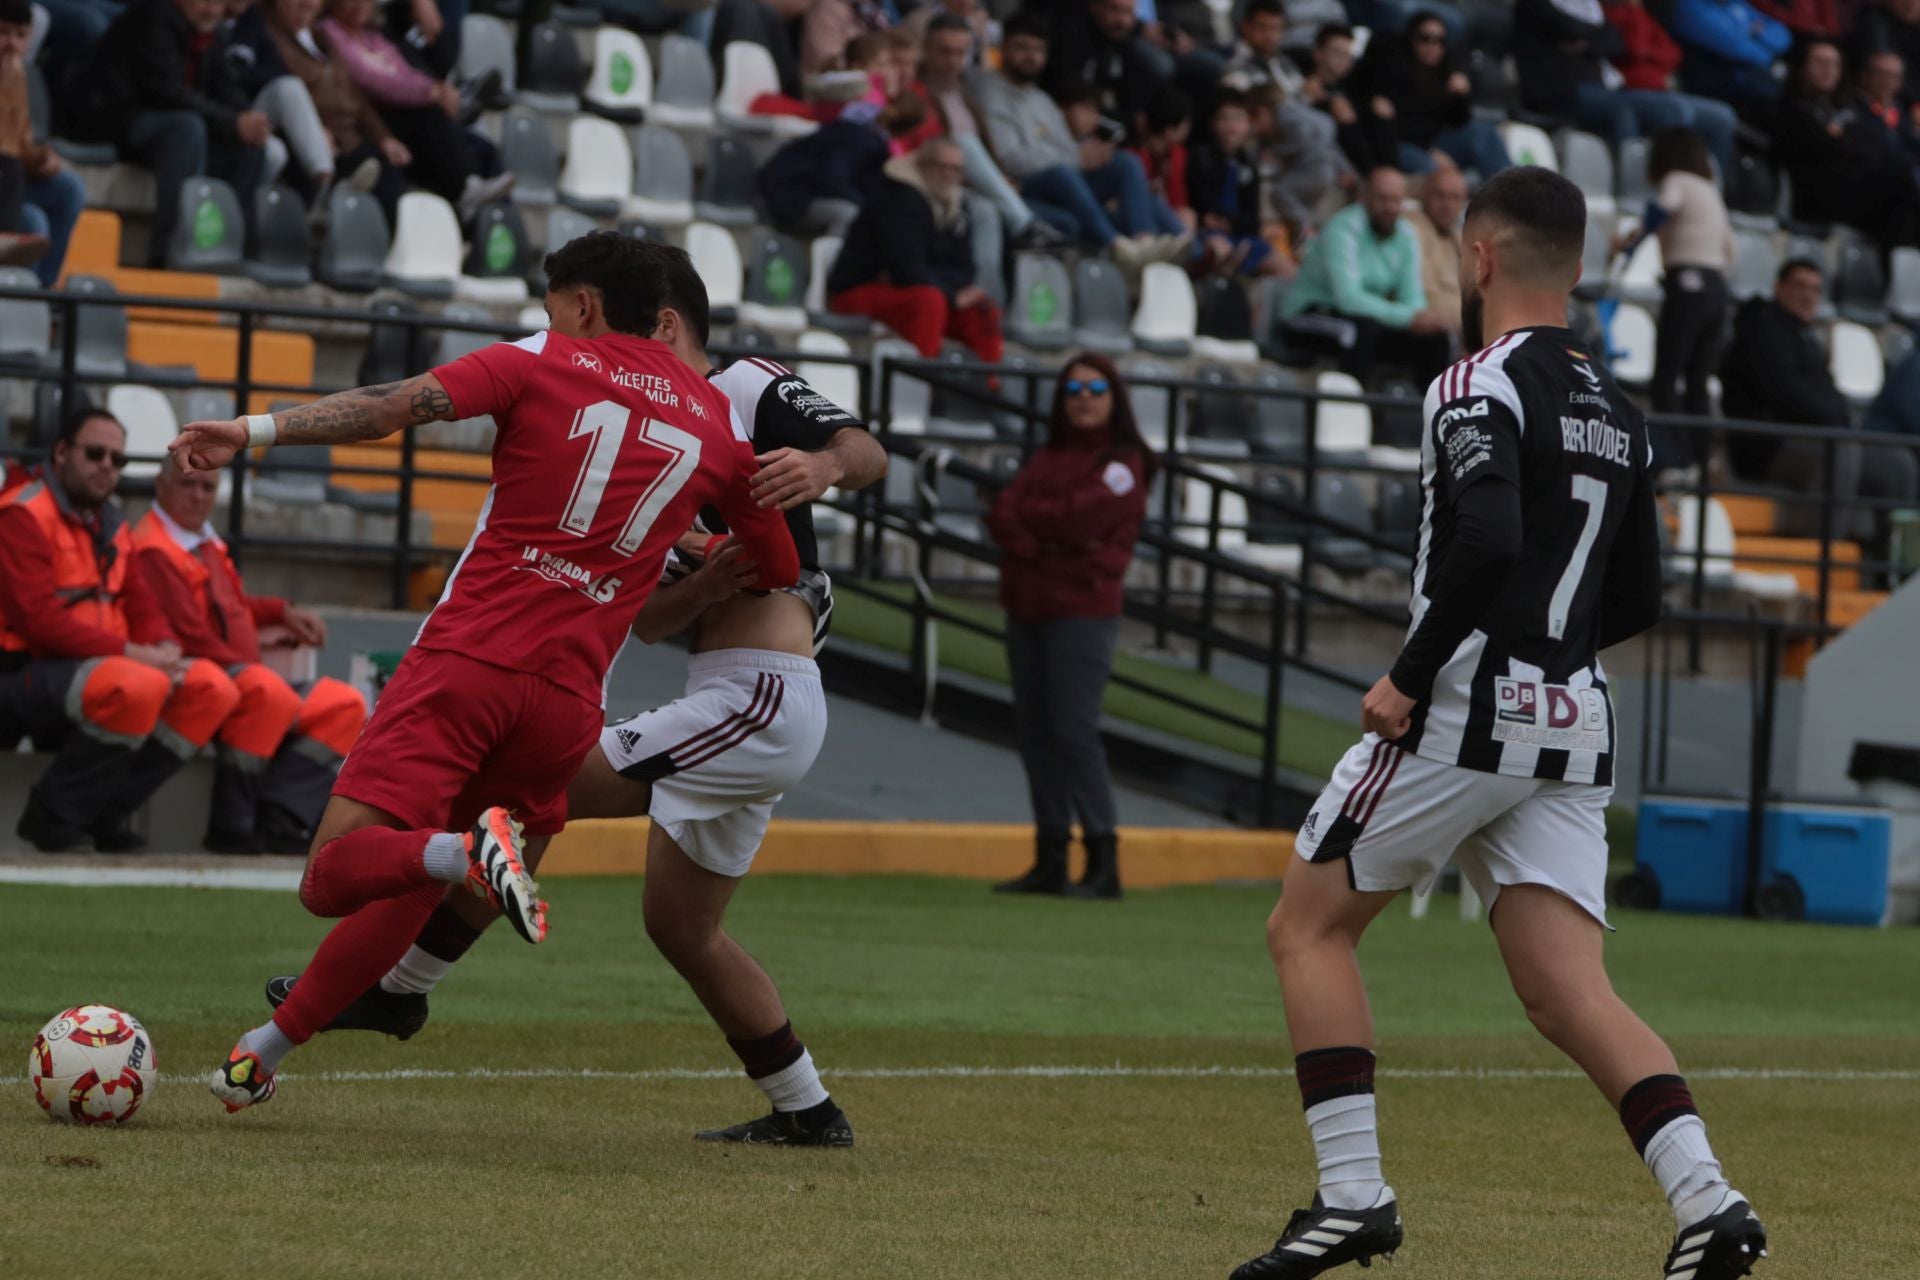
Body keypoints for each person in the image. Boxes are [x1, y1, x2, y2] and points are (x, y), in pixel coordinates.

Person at [1231, 166, 1769, 1280]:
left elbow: (1482, 541)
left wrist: (1411, 674)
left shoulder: (1473, 383)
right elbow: (1642, 598)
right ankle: (1710, 1201)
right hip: (1574, 719)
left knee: (1307, 925)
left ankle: (1352, 1194)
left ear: (1478, 257)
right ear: (1573, 269)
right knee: (1568, 989)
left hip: (1467, 703)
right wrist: (1552, 659)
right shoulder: (1620, 410)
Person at [178, 233, 801, 1112]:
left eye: (553, 303)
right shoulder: (714, 426)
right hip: (566, 707)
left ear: (582, 306)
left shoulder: (549, 357)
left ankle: (465, 852)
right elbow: (772, 561)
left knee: (334, 873)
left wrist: (252, 429)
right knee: (418, 876)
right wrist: (704, 556)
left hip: (470, 662)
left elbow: (395, 406)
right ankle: (264, 1053)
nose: (546, 319)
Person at [261, 350, 890, 1149]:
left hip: (760, 695)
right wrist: (705, 583)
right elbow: (655, 622)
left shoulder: (739, 386)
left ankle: (402, 987)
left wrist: (823, 463)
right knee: (681, 927)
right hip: (730, 693)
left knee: (535, 792)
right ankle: (808, 1108)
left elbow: (869, 451)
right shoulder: (653, 436)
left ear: (665, 322)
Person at [0, 410, 245, 854]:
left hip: (96, 674)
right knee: (139, 682)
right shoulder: (23, 512)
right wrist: (134, 653)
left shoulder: (110, 521)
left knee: (213, 688)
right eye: (95, 453)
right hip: (23, 674)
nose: (106, 466)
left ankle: (106, 810)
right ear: (60, 453)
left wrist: (164, 646)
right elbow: (40, 625)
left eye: (117, 459)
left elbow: (140, 603)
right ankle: (53, 817)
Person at [130, 453, 368, 856]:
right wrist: (254, 667)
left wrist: (280, 612)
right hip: (206, 680)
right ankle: (232, 825)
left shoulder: (200, 540)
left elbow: (233, 607)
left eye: (208, 487)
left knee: (345, 705)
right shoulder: (156, 548)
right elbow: (192, 637)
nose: (198, 496)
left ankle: (282, 815)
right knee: (266, 691)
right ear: (161, 485)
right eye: (189, 484)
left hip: (242, 675)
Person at [987, 353, 1151, 902]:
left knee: (1075, 731)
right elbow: (1003, 514)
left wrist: (1040, 528)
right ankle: (1050, 856)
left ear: (1114, 395)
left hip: (1083, 611)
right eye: (1073, 388)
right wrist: (1051, 536)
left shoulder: (1125, 461)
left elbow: (1081, 518)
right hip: (1028, 605)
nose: (1084, 396)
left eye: (1096, 386)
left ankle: (1103, 858)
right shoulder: (1048, 457)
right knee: (1036, 734)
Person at [1720, 258, 1920, 540]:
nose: (1808, 296)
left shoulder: (1805, 336)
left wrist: (1836, 422)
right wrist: (1835, 424)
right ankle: (1823, 553)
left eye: (1815, 289)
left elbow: (1822, 399)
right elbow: (1787, 395)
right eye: (1800, 286)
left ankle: (1887, 562)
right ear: (1778, 288)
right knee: (1841, 449)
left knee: (1897, 464)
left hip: (1813, 439)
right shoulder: (1762, 331)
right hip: (1769, 446)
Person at [971, 12, 1184, 263]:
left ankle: (1149, 243)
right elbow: (1011, 158)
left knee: (1125, 163)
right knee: (1063, 173)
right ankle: (1118, 248)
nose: (1031, 57)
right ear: (1003, 47)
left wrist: (1088, 153)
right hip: (1024, 186)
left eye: (1038, 50)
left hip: (1065, 179)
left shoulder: (1040, 98)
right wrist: (1075, 157)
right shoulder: (988, 92)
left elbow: (1067, 147)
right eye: (1022, 48)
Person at [77, 0, 273, 266]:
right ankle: (170, 247)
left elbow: (225, 87)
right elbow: (166, 92)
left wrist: (248, 119)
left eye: (219, 3)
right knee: (186, 128)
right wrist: (232, 121)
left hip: (170, 125)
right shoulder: (153, 16)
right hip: (119, 119)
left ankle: (223, 246)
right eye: (205, 1)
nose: (213, 10)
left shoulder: (209, 32)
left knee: (247, 148)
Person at [319, 0, 512, 221]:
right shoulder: (330, 32)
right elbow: (374, 81)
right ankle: (465, 188)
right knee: (430, 114)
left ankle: (491, 224)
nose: (360, 4)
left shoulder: (374, 34)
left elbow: (403, 71)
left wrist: (435, 89)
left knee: (484, 150)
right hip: (373, 123)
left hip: (401, 115)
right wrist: (431, 93)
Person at [826, 137, 1003, 363]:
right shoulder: (898, 197)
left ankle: (988, 386)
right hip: (858, 290)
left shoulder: (956, 205)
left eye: (956, 169)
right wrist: (951, 294)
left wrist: (955, 294)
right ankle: (920, 384)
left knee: (981, 309)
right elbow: (906, 269)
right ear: (923, 164)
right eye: (943, 166)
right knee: (929, 301)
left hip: (918, 290)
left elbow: (965, 268)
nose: (949, 175)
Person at [231, 0, 410, 220]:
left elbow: (357, 97)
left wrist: (384, 137)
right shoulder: (266, 30)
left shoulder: (321, 37)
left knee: (391, 178)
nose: (307, 4)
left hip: (351, 137)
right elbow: (278, 90)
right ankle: (325, 191)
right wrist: (317, 128)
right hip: (317, 138)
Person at [1620, 128, 1735, 465]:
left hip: (1687, 283)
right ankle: (1699, 464)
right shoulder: (1710, 190)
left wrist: (1632, 244)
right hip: (1717, 287)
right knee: (1698, 380)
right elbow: (1731, 248)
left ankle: (1676, 458)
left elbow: (1663, 207)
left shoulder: (1677, 180)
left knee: (1666, 378)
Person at [1280, 166, 1451, 385]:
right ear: (1365, 198)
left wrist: (1419, 318)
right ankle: (1354, 411)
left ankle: (1425, 412)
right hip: (1308, 315)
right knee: (1359, 332)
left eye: (1396, 200)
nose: (1389, 207)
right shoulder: (1343, 228)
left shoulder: (1406, 234)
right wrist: (1409, 317)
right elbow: (1349, 300)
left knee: (1435, 339)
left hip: (1367, 320)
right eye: (1382, 199)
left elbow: (1413, 298)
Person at [917, 14, 1063, 248]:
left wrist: (1002, 179)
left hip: (987, 187)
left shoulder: (964, 95)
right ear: (926, 49)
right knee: (964, 150)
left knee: (1066, 222)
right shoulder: (916, 94)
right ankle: (1024, 224)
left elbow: (988, 154)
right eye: (945, 51)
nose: (953, 61)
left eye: (960, 53)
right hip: (941, 179)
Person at [1773, 40, 1920, 248]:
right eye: (1820, 62)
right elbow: (1836, 150)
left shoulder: (1840, 107)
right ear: (1802, 66)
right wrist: (1844, 142)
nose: (1828, 70)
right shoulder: (1793, 107)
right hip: (1820, 198)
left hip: (1859, 191)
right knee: (1903, 183)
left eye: (1835, 64)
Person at [1355, 10, 1510, 178]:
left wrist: (1460, 96)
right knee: (1435, 171)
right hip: (1401, 145)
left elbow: (1459, 122)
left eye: (1440, 41)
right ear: (1411, 39)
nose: (1433, 46)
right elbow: (1397, 126)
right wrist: (1429, 150)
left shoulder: (1444, 72)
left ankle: (1512, 194)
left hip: (1436, 141)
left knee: (1485, 134)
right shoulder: (1393, 70)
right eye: (1425, 38)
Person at [1603, 0, 1741, 177]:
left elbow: (1673, 54)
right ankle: (1669, 185)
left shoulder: (1642, 15)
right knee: (1676, 111)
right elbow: (1636, 48)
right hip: (1631, 91)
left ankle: (1707, 191)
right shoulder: (1609, 14)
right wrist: (1635, 14)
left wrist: (1649, 54)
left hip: (1662, 91)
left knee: (1724, 117)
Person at [756, 92, 923, 237]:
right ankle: (835, 268)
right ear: (908, 131)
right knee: (850, 214)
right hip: (784, 193)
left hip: (794, 189)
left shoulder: (868, 130)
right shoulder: (862, 137)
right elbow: (831, 178)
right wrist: (866, 206)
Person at [0, 0, 83, 284]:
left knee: (68, 188)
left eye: (20, 36)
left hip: (7, 188)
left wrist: (39, 160)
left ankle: (42, 297)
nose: (12, 45)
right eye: (3, 33)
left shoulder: (15, 75)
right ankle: (18, 300)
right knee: (33, 221)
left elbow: (18, 147)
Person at [1188, 90, 1285, 276]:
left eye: (1238, 119)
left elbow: (1253, 218)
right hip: (1208, 233)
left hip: (1239, 234)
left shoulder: (1248, 164)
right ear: (1212, 123)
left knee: (1286, 268)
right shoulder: (1200, 157)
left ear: (1249, 123)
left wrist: (1230, 223)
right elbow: (1203, 205)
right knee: (1219, 252)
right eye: (1224, 119)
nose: (1231, 126)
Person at [1668, 0, 1793, 111]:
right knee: (1777, 95)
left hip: (1748, 70)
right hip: (1713, 75)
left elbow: (1783, 35)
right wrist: (1767, 52)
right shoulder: (1690, 6)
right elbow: (1735, 46)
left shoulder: (1734, 3)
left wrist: (1760, 34)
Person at [1409, 160, 1466, 348]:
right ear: (1425, 195)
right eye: (1440, 196)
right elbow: (1425, 296)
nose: (1447, 204)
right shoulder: (1411, 228)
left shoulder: (1457, 235)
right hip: (1428, 329)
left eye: (1455, 197)